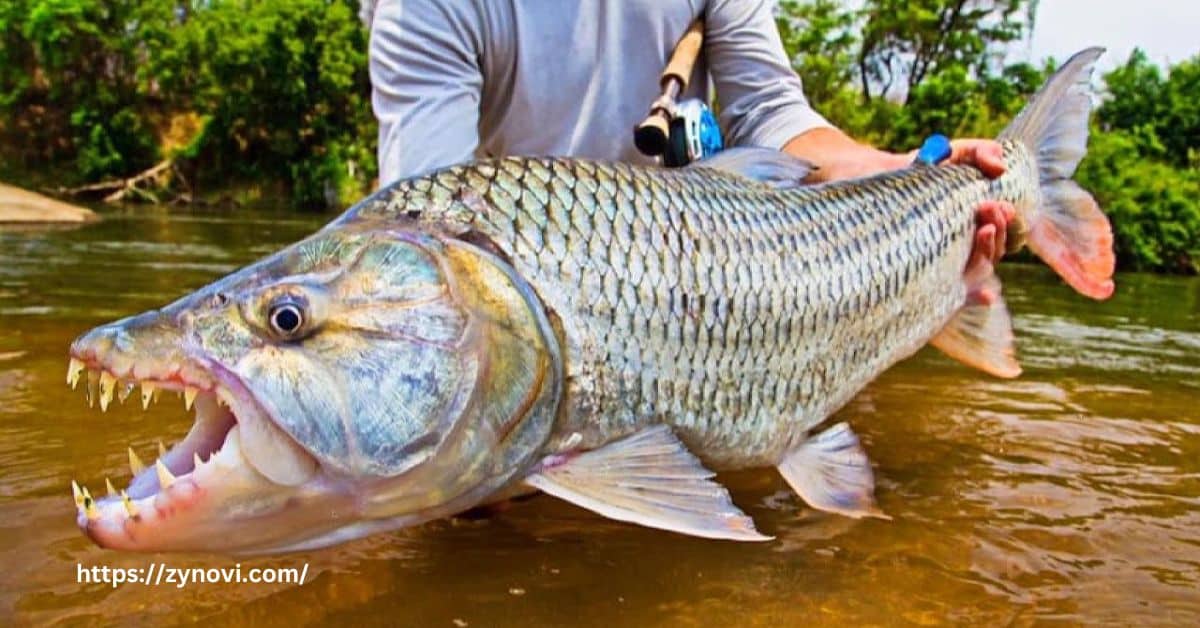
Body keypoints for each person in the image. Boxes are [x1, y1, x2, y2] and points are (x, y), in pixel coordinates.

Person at [365, 0, 1013, 272]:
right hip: (516, 272)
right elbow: (426, 217)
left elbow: (772, 115)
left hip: (691, 276)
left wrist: (905, 170)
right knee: (469, 495)